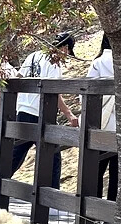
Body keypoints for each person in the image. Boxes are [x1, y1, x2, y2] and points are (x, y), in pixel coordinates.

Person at [11, 33, 79, 190]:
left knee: (16, 153)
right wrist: (69, 114)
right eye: (68, 51)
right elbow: (54, 93)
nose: (66, 55)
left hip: (22, 110)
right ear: (64, 47)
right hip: (40, 113)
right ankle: (52, 195)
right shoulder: (53, 62)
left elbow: (19, 78)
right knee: (52, 155)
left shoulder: (33, 56)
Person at [86, 35, 117, 224]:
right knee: (117, 173)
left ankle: (93, 214)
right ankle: (110, 218)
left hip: (101, 123)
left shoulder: (98, 63)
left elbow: (89, 89)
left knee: (96, 169)